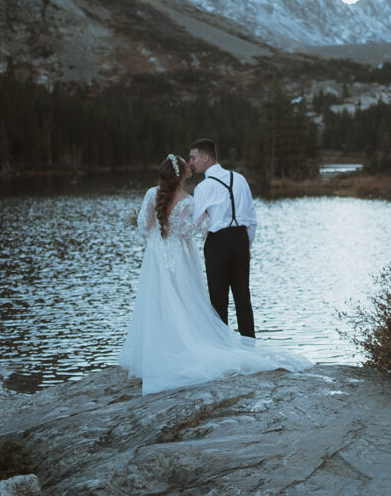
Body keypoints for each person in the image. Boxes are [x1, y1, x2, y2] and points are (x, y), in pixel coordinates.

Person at [117, 153, 310, 395]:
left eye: (192, 159)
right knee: (185, 300)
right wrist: (206, 220)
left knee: (158, 301)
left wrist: (159, 235)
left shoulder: (150, 195)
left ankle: (159, 351)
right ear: (181, 174)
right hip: (181, 255)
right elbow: (190, 230)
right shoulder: (188, 200)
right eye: (188, 163)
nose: (191, 164)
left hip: (156, 256)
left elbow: (144, 227)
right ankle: (187, 347)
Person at [188, 138, 257, 337]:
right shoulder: (240, 179)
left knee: (218, 299)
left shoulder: (204, 187)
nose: (191, 162)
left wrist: (207, 223)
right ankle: (250, 345)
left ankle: (222, 348)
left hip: (218, 242)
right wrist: (247, 245)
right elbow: (252, 219)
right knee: (243, 297)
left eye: (193, 158)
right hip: (241, 240)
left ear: (206, 158)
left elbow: (194, 222)